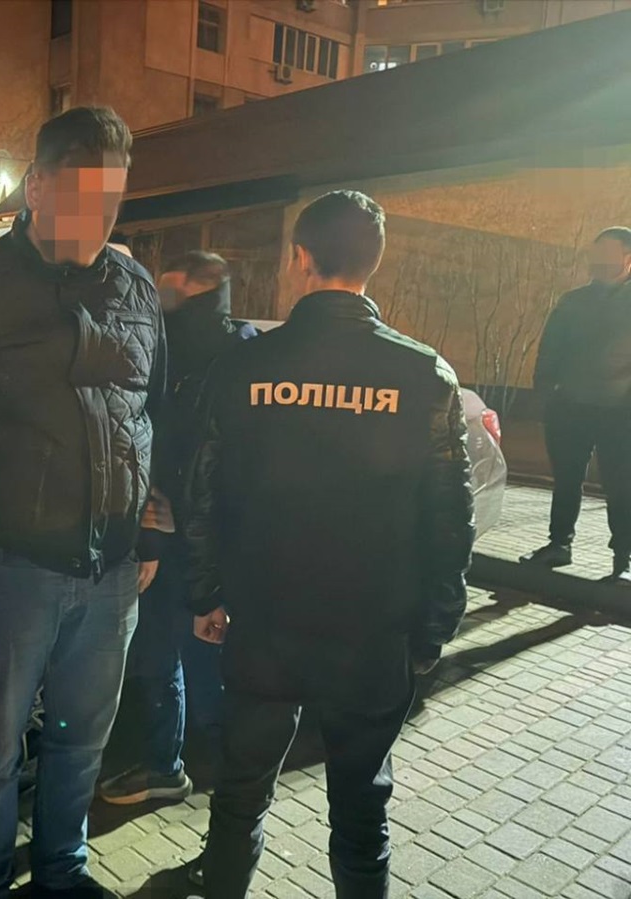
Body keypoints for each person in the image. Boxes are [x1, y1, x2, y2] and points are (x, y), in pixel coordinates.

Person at [0, 106, 166, 899]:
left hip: (111, 574)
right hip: (6, 570)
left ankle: (60, 870)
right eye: (81, 197)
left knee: (81, 741)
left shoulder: (137, 288)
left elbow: (156, 416)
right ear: (37, 187)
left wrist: (154, 531)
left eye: (111, 201)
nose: (97, 218)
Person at [184, 190, 475, 898]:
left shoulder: (245, 368)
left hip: (265, 621)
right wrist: (435, 628)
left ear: (299, 258)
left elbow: (202, 493)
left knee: (240, 794)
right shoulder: (423, 374)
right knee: (361, 810)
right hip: (373, 630)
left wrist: (205, 592)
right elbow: (450, 517)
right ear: (374, 263)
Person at [100, 252, 257, 806]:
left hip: (206, 543)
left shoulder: (238, 359)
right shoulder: (179, 353)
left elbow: (230, 468)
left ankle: (207, 774)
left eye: (170, 296)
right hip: (170, 538)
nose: (159, 308)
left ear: (205, 292)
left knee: (196, 656)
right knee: (163, 654)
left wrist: (175, 519)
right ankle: (169, 764)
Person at [521, 226, 631, 584]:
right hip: (570, 408)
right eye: (596, 253)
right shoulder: (573, 301)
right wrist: (545, 393)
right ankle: (559, 544)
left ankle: (624, 556)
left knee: (621, 483)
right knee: (566, 480)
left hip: (620, 414)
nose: (598, 261)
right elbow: (549, 350)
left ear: (627, 258)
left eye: (607, 253)